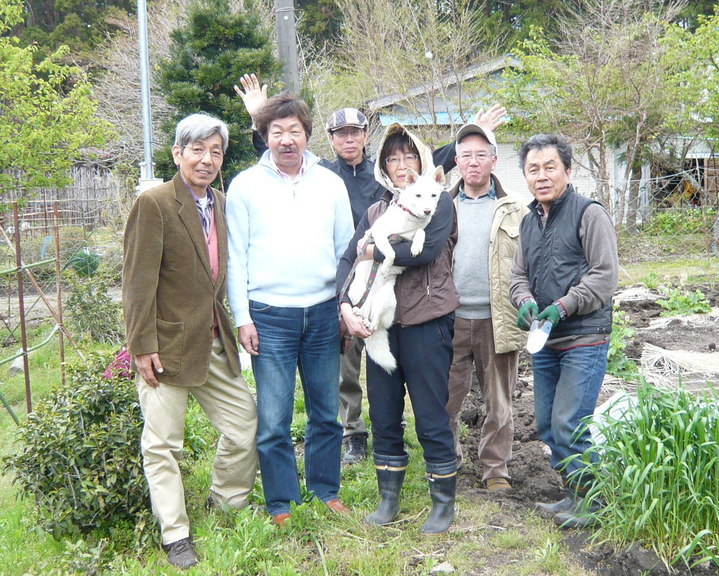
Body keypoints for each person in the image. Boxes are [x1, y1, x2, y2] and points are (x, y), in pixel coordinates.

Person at [235, 73, 507, 465]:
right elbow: (283, 153)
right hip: (348, 283)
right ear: (330, 139)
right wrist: (259, 117)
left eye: (355, 132)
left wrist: (471, 134)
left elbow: (422, 167)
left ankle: (404, 438)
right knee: (346, 370)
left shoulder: (386, 179)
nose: (348, 140)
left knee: (389, 369)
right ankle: (353, 433)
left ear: (365, 135)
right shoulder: (325, 174)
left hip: (392, 285)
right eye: (340, 134)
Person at [122, 113, 258, 569]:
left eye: (215, 152)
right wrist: (141, 345)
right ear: (177, 153)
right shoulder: (155, 203)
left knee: (244, 425)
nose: (206, 160)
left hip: (213, 338)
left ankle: (226, 501)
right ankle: (175, 534)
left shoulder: (221, 202)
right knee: (163, 444)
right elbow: (137, 282)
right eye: (197, 150)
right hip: (164, 346)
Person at [226, 92, 354, 526]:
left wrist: (344, 308)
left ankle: (325, 490)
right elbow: (236, 257)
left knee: (326, 412)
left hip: (322, 313)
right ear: (264, 136)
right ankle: (280, 501)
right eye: (276, 131)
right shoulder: (245, 185)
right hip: (269, 315)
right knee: (274, 418)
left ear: (306, 135)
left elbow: (347, 252)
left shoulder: (329, 183)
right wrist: (242, 317)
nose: (286, 139)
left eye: (294, 131)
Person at [337, 123, 459, 534]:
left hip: (427, 322)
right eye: (392, 158)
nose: (401, 164)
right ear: (383, 167)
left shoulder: (439, 202)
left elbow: (423, 254)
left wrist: (373, 250)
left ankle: (443, 503)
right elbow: (348, 258)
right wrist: (344, 305)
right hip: (381, 323)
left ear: (422, 160)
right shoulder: (377, 211)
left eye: (409, 156)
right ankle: (388, 498)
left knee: (430, 414)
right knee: (384, 415)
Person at [509, 133, 618, 529]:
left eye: (549, 167)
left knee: (570, 423)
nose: (541, 176)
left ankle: (594, 501)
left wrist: (563, 306)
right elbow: (517, 276)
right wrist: (524, 300)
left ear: (567, 171)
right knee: (547, 424)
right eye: (533, 169)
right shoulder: (528, 222)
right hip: (546, 339)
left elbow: (604, 276)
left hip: (584, 337)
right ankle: (573, 492)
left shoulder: (589, 214)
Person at [445, 123, 528, 492]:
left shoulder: (515, 209)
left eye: (481, 155)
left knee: (499, 401)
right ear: (456, 161)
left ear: (494, 161)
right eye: (466, 155)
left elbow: (529, 263)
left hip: (498, 319)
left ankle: (495, 468)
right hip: (450, 320)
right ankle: (446, 461)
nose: (473, 162)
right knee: (446, 398)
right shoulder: (441, 206)